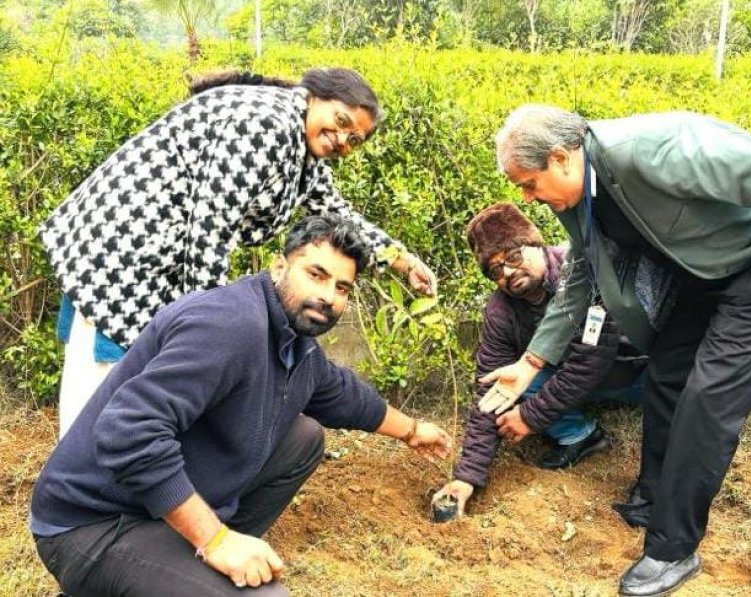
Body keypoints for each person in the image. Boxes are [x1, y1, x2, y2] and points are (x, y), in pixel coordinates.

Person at [479, 106, 751, 596]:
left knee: (708, 400)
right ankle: (653, 496)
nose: (529, 197)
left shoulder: (647, 151)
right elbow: (581, 277)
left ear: (561, 158)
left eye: (529, 183)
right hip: (707, 271)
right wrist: (530, 364)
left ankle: (673, 548)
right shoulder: (575, 200)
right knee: (667, 376)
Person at [30, 215, 452, 596]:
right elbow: (128, 432)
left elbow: (343, 396)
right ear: (279, 266)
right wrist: (215, 541)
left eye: (341, 287)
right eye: (316, 274)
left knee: (304, 437)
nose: (328, 296)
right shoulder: (230, 325)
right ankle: (196, 556)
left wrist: (413, 430)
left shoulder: (294, 340)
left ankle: (192, 562)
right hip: (92, 523)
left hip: (149, 509)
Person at [39, 68, 437, 437]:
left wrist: (402, 261)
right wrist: (208, 325)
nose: (342, 139)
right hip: (124, 253)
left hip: (156, 259)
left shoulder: (301, 147)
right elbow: (211, 227)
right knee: (105, 382)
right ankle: (72, 499)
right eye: (342, 121)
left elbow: (339, 214)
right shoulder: (265, 124)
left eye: (354, 140)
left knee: (138, 379)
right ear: (316, 96)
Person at [431, 202, 645, 516]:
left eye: (513, 256)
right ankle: (581, 437)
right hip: (575, 380)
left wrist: (530, 417)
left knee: (673, 387)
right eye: (494, 269)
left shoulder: (581, 270)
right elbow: (489, 393)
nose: (506, 272)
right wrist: (466, 478)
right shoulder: (500, 311)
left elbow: (591, 360)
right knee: (505, 386)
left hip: (633, 370)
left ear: (536, 243)